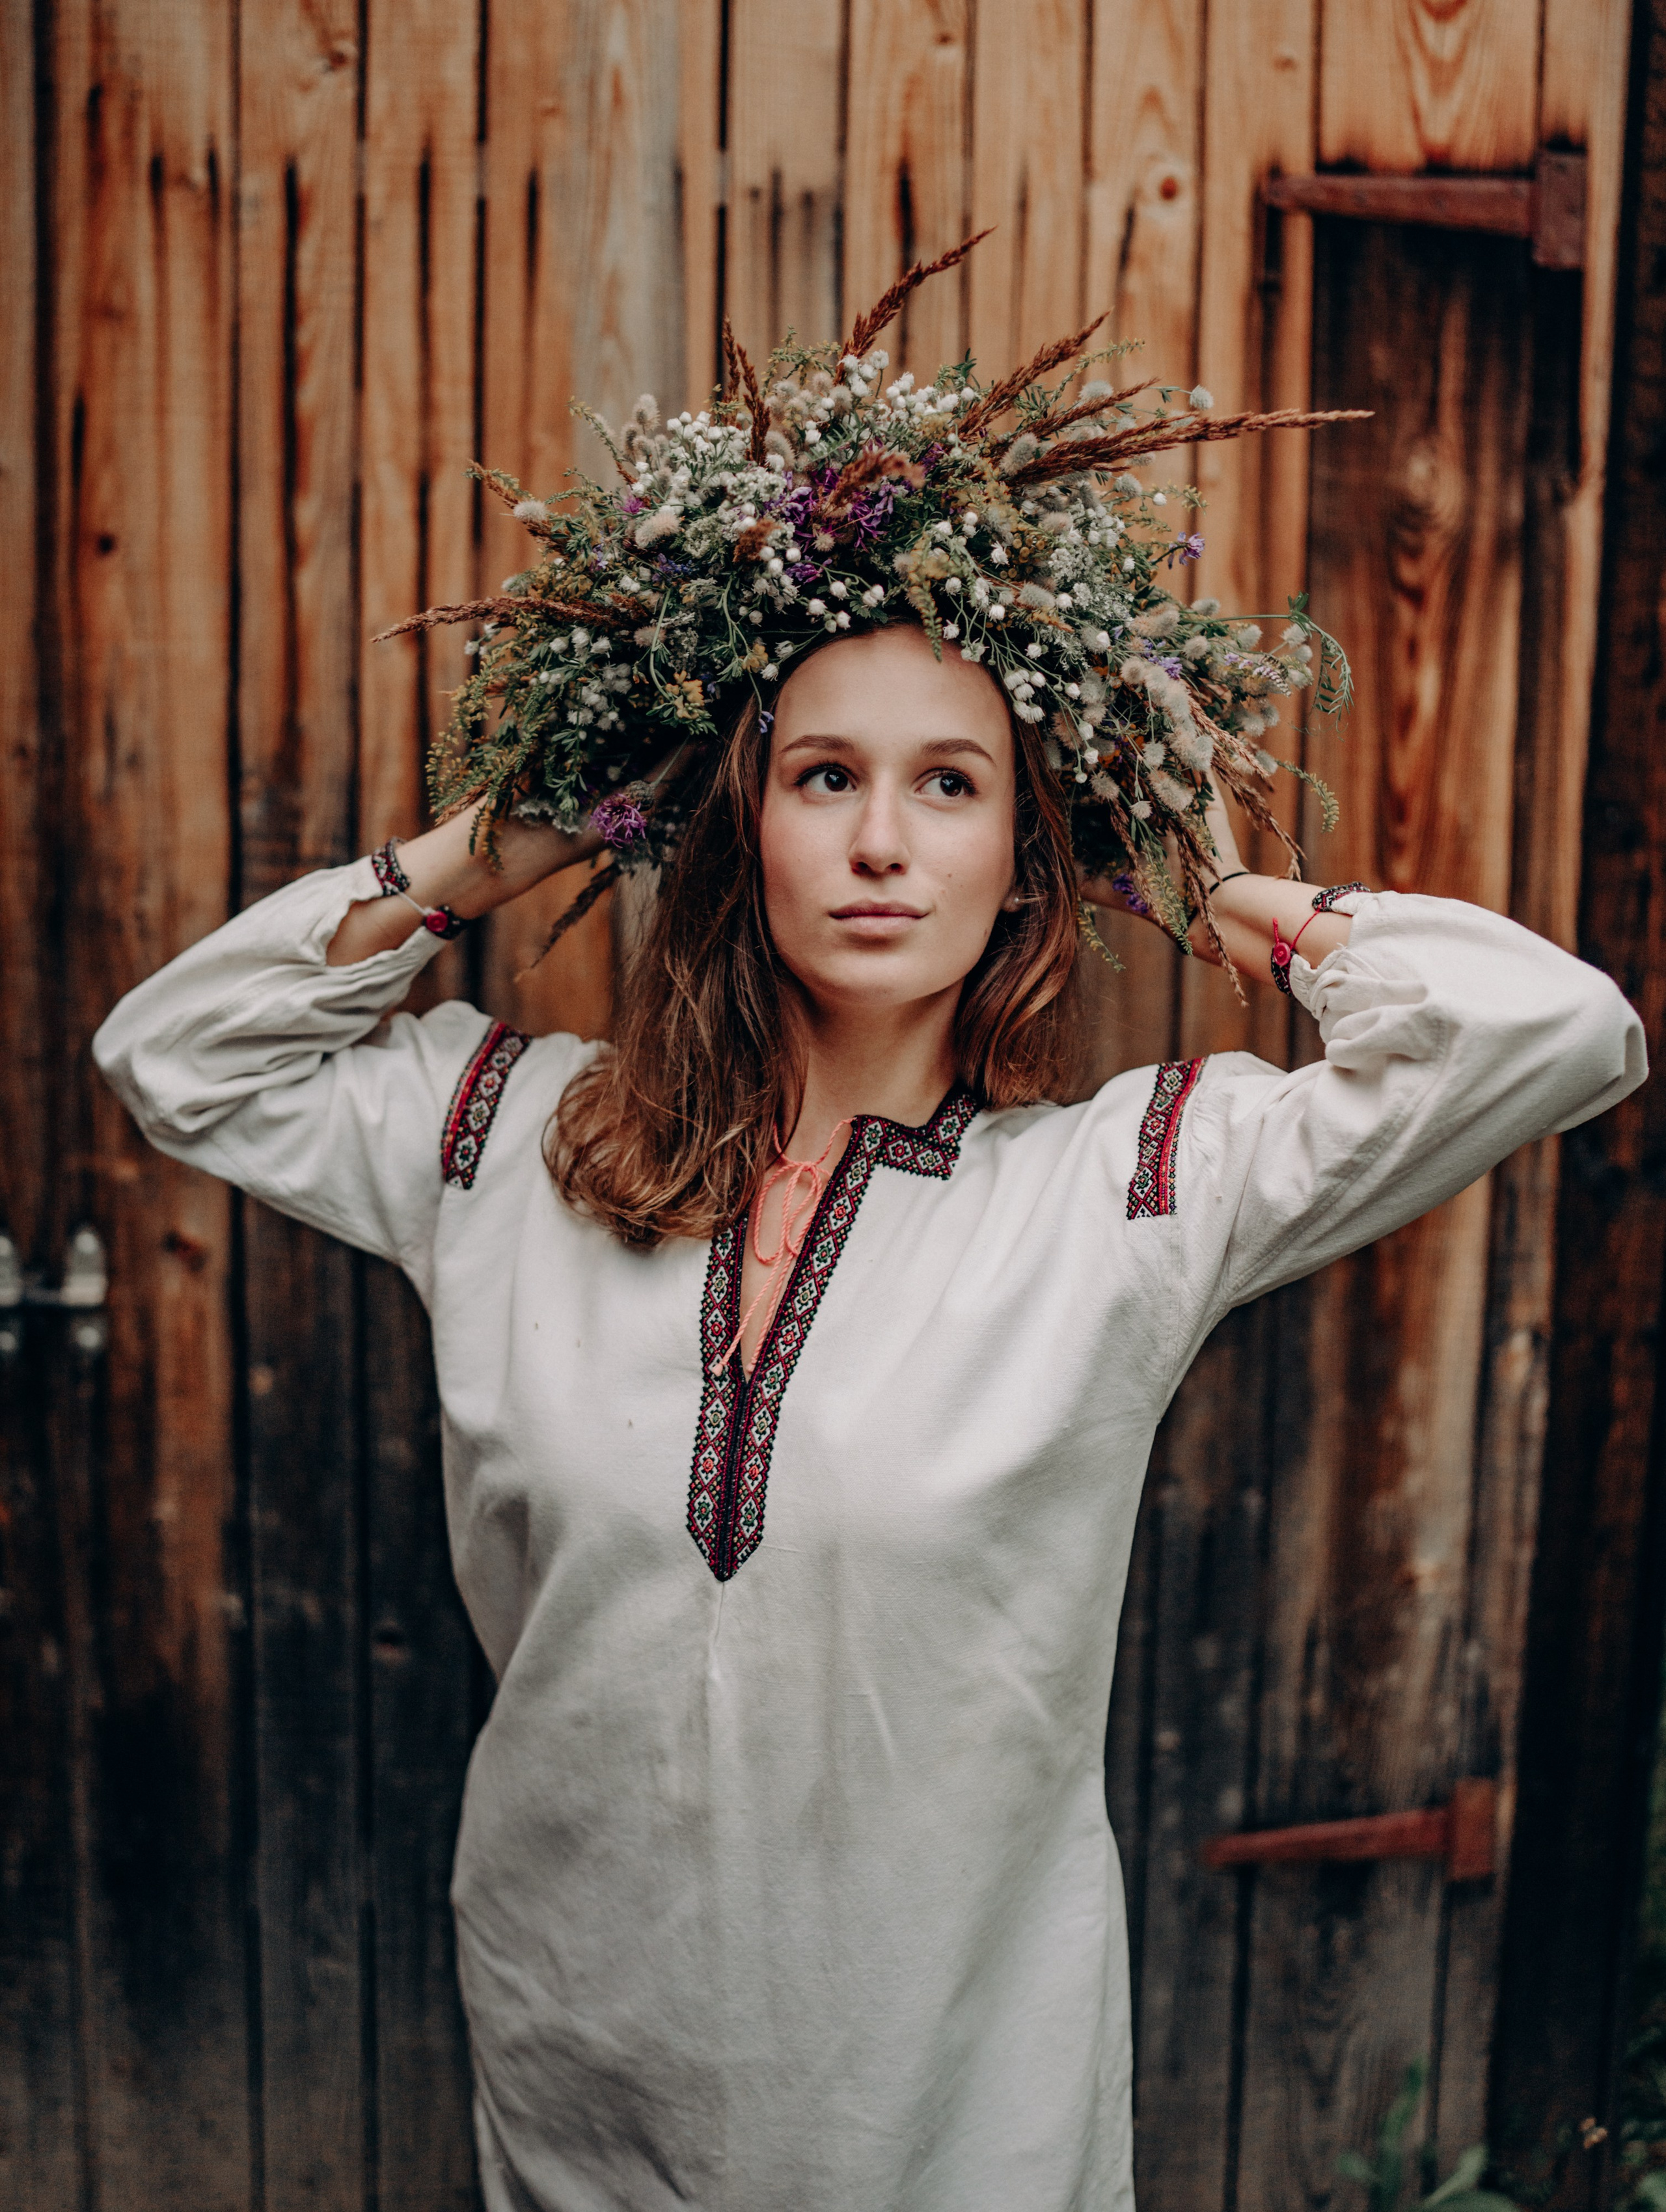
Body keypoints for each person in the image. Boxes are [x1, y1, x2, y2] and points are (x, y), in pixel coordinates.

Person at [93, 249, 1646, 2205]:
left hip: (954, 2109)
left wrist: (1216, 880)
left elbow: (1560, 1031)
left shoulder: (1125, 1193)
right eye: (825, 777)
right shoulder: (503, 1137)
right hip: (587, 2071)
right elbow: (177, 1055)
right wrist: (498, 847)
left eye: (955, 786)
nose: (885, 840)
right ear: (741, 818)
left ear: (1025, 858)